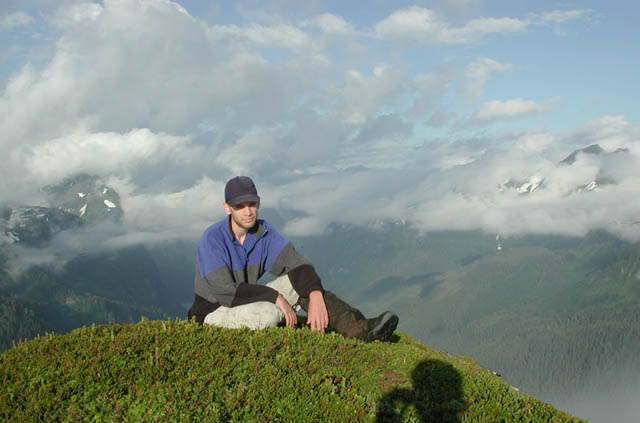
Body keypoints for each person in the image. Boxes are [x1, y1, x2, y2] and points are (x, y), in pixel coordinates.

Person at [187, 176, 399, 342]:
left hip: (245, 300)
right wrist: (274, 296)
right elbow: (225, 291)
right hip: (212, 311)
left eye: (252, 204)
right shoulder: (212, 239)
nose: (248, 211)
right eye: (240, 206)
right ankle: (299, 323)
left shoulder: (263, 233)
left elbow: (297, 264)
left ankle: (360, 329)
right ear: (227, 208)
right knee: (268, 314)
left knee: (300, 283)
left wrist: (314, 294)